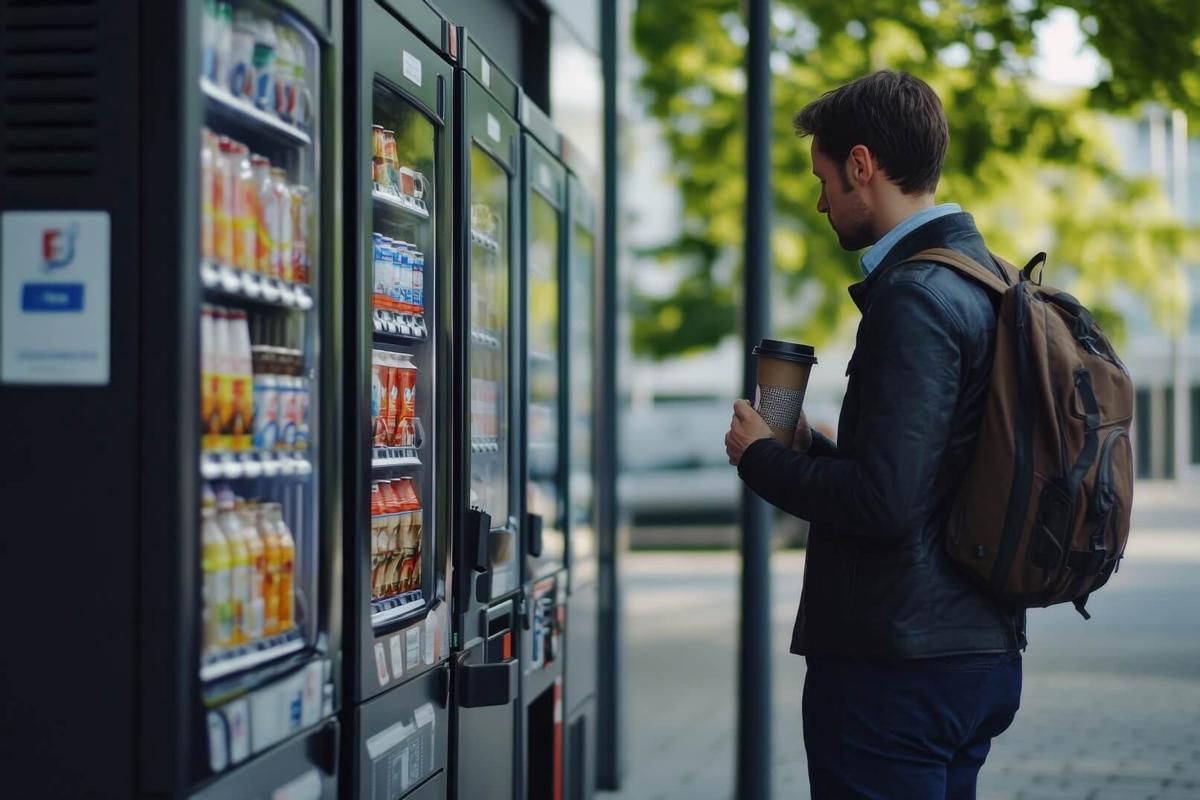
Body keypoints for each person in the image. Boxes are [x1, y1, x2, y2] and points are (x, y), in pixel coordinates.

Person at [724, 71, 1026, 799]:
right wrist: (819, 452)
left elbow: (884, 505)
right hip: (975, 646)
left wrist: (760, 457)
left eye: (824, 178)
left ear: (862, 165)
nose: (822, 201)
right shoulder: (989, 278)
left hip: (897, 666)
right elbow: (931, 477)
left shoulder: (915, 296)